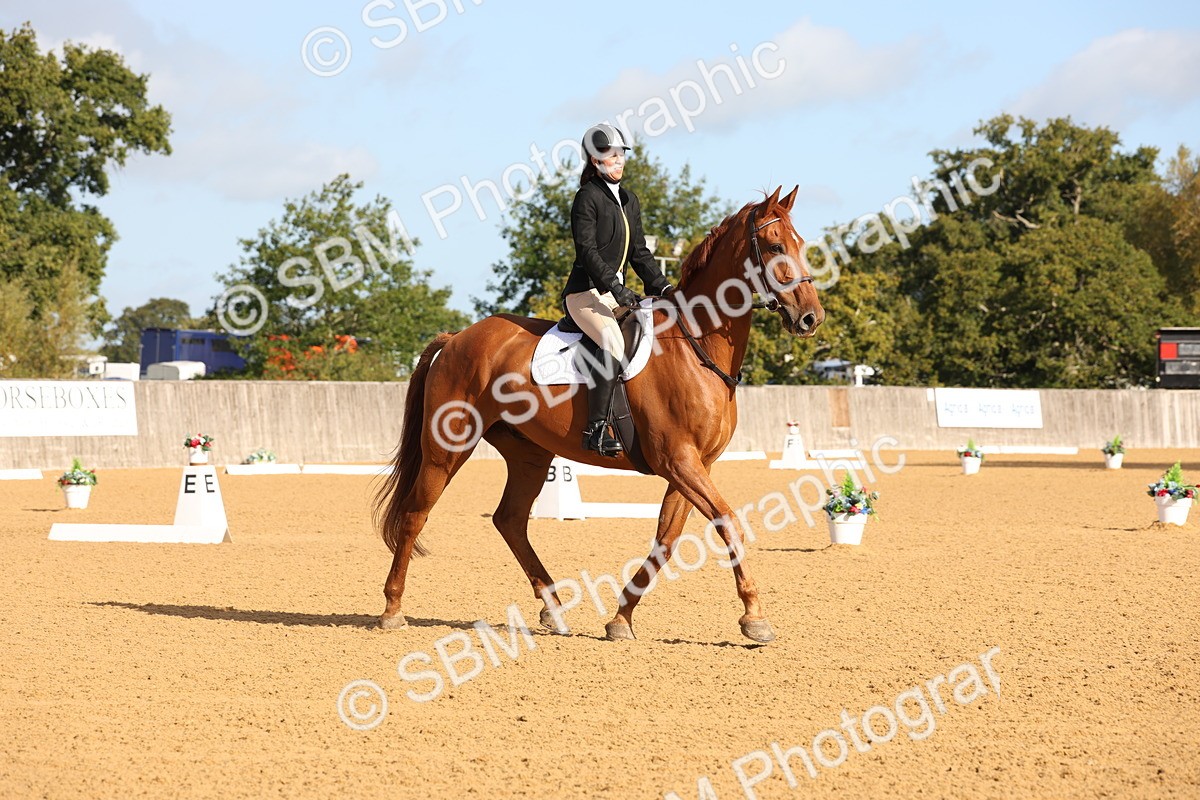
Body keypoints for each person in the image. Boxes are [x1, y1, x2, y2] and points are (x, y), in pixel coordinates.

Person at [563, 123, 674, 457]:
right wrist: (615, 286)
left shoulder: (629, 200)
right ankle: (595, 429)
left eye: (621, 155)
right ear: (596, 161)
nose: (619, 161)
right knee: (611, 338)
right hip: (585, 294)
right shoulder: (587, 198)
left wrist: (666, 288)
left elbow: (639, 253)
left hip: (613, 293)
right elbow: (587, 252)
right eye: (612, 156)